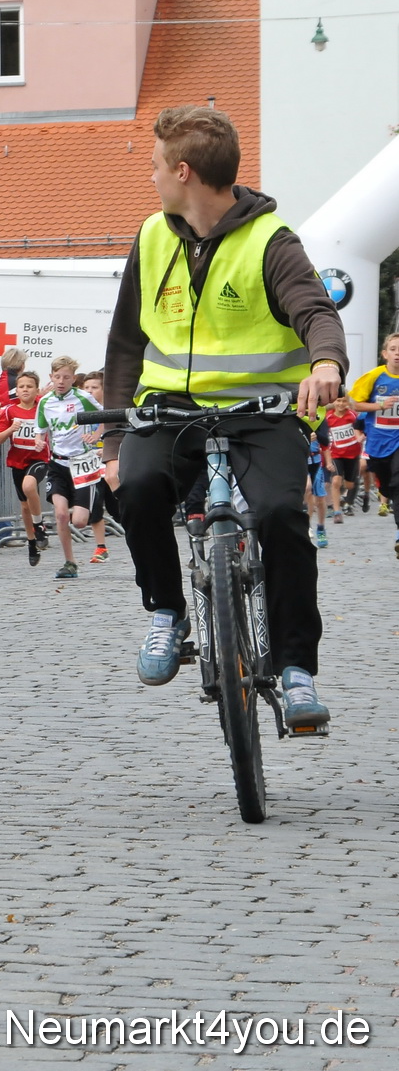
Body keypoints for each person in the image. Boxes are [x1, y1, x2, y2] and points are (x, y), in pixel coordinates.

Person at [103, 105, 345, 734]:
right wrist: (113, 440)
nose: (151, 177)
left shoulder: (271, 241)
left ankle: (296, 671)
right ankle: (167, 613)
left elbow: (315, 310)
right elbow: (127, 343)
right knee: (137, 487)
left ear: (183, 172)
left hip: (261, 412)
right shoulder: (152, 236)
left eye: (156, 165)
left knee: (279, 516)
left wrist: (325, 362)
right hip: (169, 408)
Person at [34, 357, 102, 580]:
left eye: (66, 377)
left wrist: (96, 434)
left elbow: (106, 417)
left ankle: (91, 499)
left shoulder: (83, 397)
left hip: (82, 464)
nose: (61, 381)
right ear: (51, 377)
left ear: (74, 379)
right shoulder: (45, 402)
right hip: (58, 463)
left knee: (80, 521)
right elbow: (41, 428)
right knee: (61, 515)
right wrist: (38, 440)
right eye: (57, 377)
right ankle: (69, 562)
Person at [0, 371, 51, 566]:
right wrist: (10, 429)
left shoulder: (43, 407)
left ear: (36, 389)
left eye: (29, 386)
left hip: (39, 458)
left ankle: (39, 526)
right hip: (18, 461)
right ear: (16, 389)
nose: (25, 390)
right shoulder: (9, 411)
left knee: (29, 486)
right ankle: (32, 543)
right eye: (21, 386)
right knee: (25, 507)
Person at [348, 331, 399, 553]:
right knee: (388, 483)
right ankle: (385, 495)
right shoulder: (374, 377)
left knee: (398, 483)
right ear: (384, 354)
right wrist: (380, 406)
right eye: (394, 349)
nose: (398, 354)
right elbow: (353, 404)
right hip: (378, 444)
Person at [78, 370, 116, 563]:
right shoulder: (80, 411)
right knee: (95, 504)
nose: (90, 391)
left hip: (110, 464)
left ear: (104, 389)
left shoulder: (111, 410)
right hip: (90, 466)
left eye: (95, 387)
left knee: (117, 505)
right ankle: (101, 547)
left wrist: (107, 449)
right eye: (86, 387)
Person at [322, 394, 363, 525]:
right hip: (336, 454)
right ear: (334, 402)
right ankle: (337, 512)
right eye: (338, 401)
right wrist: (328, 461)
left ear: (347, 403)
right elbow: (325, 442)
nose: (340, 404)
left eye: (343, 401)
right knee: (335, 481)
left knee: (350, 484)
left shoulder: (353, 416)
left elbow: (362, 428)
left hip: (352, 454)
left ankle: (346, 499)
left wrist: (360, 437)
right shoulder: (328, 417)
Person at [306, 427, 330, 548]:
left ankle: (321, 528)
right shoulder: (292, 416)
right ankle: (306, 525)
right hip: (301, 461)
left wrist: (329, 462)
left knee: (320, 499)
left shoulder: (318, 419)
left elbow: (325, 442)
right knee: (307, 488)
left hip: (316, 462)